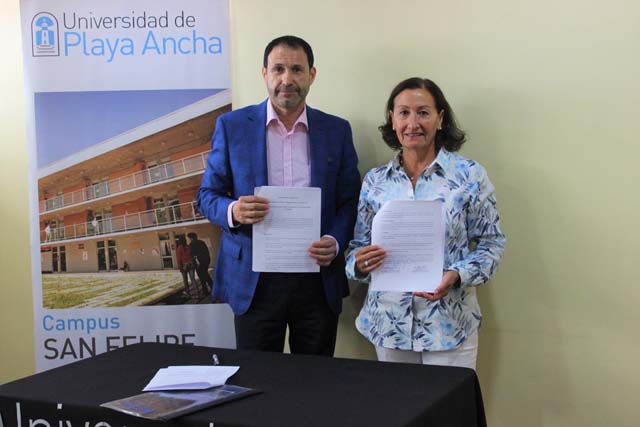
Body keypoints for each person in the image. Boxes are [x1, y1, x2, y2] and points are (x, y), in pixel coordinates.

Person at [197, 35, 360, 356]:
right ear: (265, 74)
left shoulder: (337, 130)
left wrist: (336, 240)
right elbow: (206, 196)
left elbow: (350, 201)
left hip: (316, 278)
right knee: (258, 378)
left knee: (314, 378)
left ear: (312, 75)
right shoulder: (231, 126)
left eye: (297, 69)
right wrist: (233, 211)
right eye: (278, 69)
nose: (287, 79)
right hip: (254, 281)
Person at [345, 77, 505, 369]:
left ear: (440, 118)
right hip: (389, 324)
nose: (412, 123)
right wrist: (359, 264)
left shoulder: (469, 175)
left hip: (449, 324)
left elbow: (492, 244)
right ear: (392, 120)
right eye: (403, 113)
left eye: (423, 112)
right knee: (396, 400)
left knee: (449, 401)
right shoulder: (375, 181)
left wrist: (457, 274)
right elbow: (357, 247)